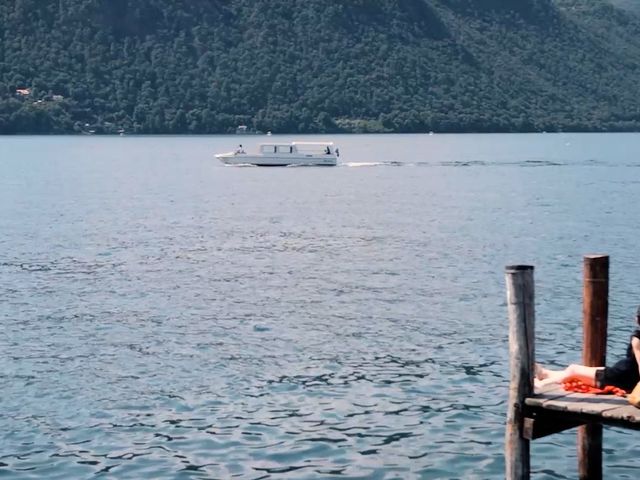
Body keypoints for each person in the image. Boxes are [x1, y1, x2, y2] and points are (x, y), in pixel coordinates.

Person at [536, 306, 640, 392]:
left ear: (636, 319)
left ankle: (541, 384)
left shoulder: (638, 339)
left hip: (622, 378)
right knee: (571, 371)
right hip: (622, 373)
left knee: (573, 370)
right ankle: (545, 374)